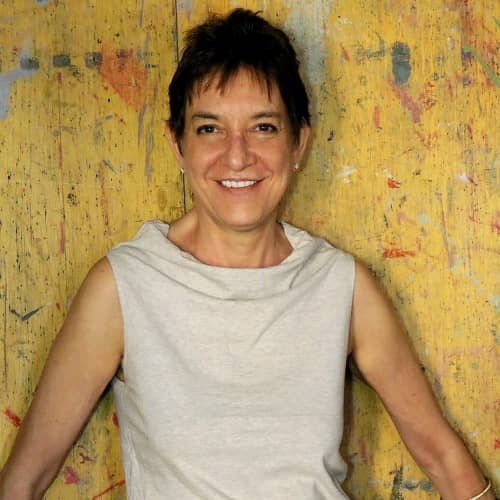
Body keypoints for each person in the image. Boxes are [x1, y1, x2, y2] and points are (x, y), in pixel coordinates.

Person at [0, 8, 494, 500]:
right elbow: (24, 480)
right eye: (209, 129)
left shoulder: (340, 286)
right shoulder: (124, 287)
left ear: (298, 142)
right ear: (177, 145)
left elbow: (444, 459)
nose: (237, 156)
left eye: (263, 128)